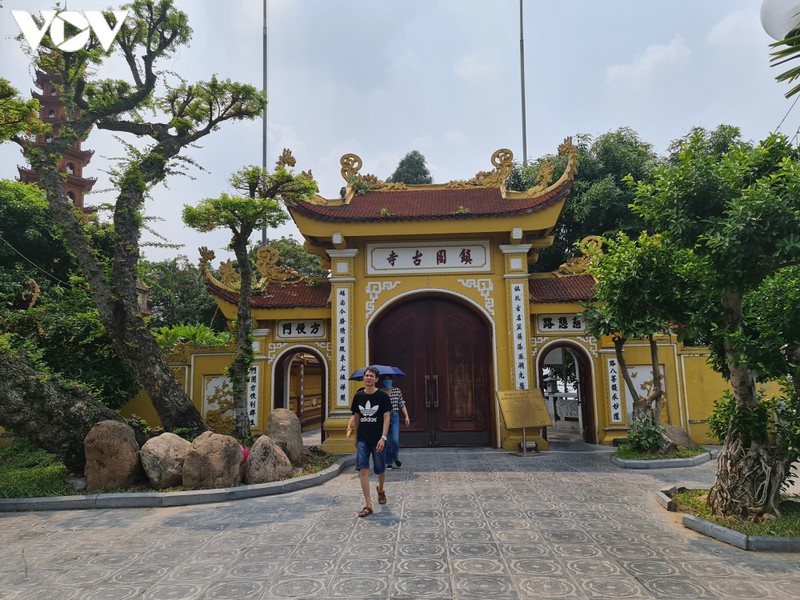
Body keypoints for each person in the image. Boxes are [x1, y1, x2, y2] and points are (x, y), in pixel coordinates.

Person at [347, 365, 391, 517]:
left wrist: (383, 438)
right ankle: (368, 505)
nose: (368, 378)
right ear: (363, 378)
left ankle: (381, 489)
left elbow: (387, 417)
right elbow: (356, 415)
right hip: (363, 439)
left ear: (377, 379)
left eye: (372, 376)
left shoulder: (383, 396)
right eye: (367, 375)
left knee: (380, 468)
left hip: (378, 438)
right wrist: (351, 427)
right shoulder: (358, 396)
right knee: (363, 470)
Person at [382, 374, 410, 469]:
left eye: (389, 379)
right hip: (384, 417)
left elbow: (401, 403)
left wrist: (406, 416)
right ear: (383, 381)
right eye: (385, 380)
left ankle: (395, 458)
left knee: (394, 440)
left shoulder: (397, 390)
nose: (387, 381)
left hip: (394, 416)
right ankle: (389, 462)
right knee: (387, 441)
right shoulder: (381, 392)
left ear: (392, 380)